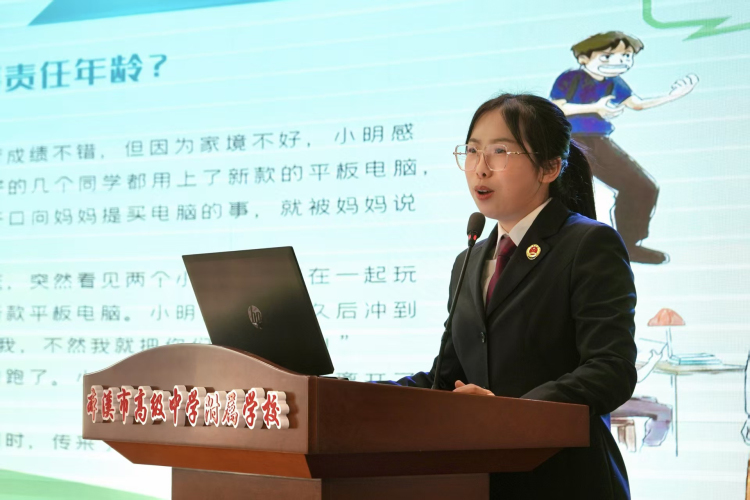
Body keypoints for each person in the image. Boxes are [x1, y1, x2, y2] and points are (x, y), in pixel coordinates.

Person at [382, 93, 638, 499]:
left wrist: (507, 415)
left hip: (566, 481)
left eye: (499, 152)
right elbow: (446, 380)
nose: (480, 168)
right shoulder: (469, 260)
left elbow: (610, 369)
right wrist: (357, 396)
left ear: (550, 167)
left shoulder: (588, 244)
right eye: (472, 151)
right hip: (481, 481)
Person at [549, 31, 698, 265]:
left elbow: (636, 104)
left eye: (626, 57)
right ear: (584, 58)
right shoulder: (571, 78)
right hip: (569, 142)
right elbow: (556, 107)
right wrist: (595, 107)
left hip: (599, 141)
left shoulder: (614, 82)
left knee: (643, 187)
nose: (619, 62)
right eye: (608, 57)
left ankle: (628, 246)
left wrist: (671, 96)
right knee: (571, 195)